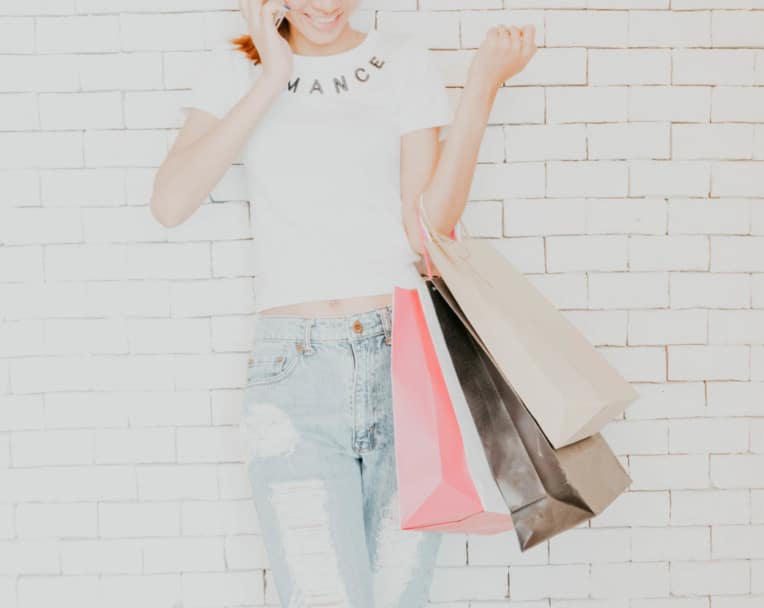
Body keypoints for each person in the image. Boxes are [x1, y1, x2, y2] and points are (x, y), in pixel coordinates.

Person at [149, 0, 536, 606]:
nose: (325, 5)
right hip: (292, 381)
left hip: (401, 362)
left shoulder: (402, 61)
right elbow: (170, 202)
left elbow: (425, 229)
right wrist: (272, 76)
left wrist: (483, 85)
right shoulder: (239, 66)